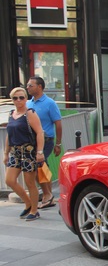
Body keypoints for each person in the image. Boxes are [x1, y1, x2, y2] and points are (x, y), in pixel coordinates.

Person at [3, 87, 46, 221]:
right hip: (15, 151)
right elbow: (9, 134)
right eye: (15, 98)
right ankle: (28, 203)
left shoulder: (30, 113)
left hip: (28, 151)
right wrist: (6, 153)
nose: (19, 100)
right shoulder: (11, 114)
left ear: (26, 99)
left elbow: (39, 132)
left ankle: (34, 209)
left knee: (30, 182)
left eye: (21, 97)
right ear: (12, 100)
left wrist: (39, 152)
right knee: (9, 180)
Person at [25, 76, 62, 209]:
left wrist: (58, 144)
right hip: (32, 141)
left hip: (46, 140)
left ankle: (47, 194)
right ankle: (48, 195)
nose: (27, 88)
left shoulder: (50, 103)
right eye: (28, 85)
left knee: (39, 166)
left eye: (30, 85)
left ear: (39, 87)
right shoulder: (28, 103)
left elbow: (58, 123)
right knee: (41, 167)